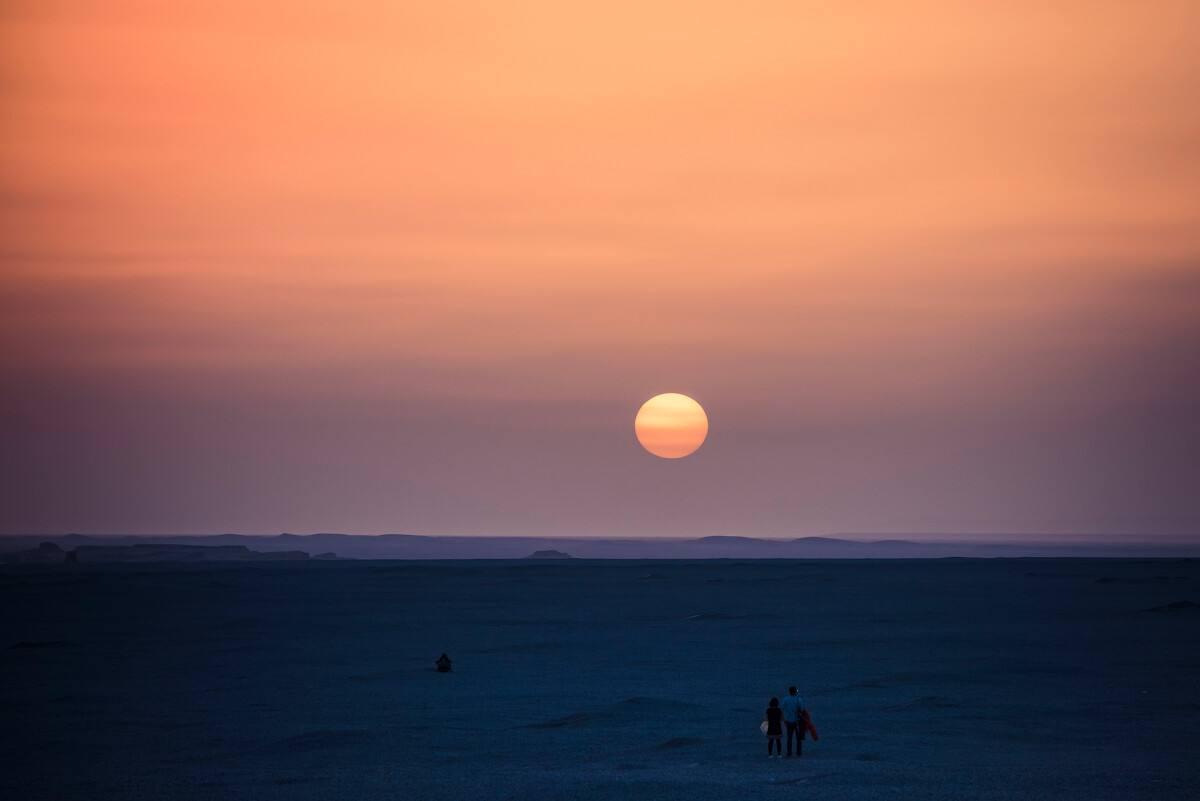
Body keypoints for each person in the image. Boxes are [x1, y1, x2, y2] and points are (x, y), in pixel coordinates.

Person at [779, 686, 806, 757]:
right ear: (795, 692)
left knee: (789, 737)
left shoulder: (785, 699)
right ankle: (799, 752)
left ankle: (789, 752)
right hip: (797, 721)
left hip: (788, 720)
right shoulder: (798, 699)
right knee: (798, 738)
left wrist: (783, 719)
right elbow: (802, 709)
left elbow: (781, 709)